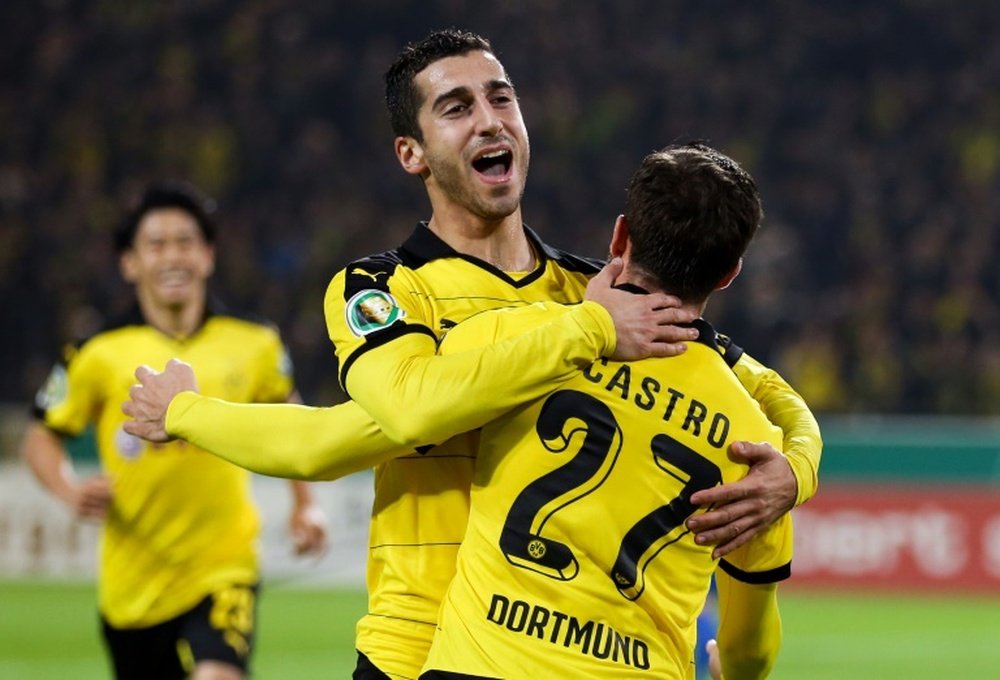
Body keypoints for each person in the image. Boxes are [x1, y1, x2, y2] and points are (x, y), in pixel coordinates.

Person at [122, 30, 820, 680]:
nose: (489, 119)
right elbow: (399, 413)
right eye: (457, 107)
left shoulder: (594, 292)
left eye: (501, 96)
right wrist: (185, 411)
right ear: (412, 153)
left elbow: (768, 394)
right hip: (409, 648)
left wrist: (793, 475)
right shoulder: (386, 289)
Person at [420, 142, 793, 679]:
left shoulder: (521, 338)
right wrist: (733, 670)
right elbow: (751, 648)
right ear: (728, 274)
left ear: (620, 238)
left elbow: (403, 403)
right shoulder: (758, 448)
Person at [20, 182, 328, 680]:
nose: (173, 256)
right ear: (130, 263)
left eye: (186, 242)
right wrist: (67, 488)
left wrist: (306, 504)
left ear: (207, 256)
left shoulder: (256, 343)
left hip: (224, 567)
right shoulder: (96, 352)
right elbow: (41, 435)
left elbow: (291, 423)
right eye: (156, 244)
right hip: (133, 585)